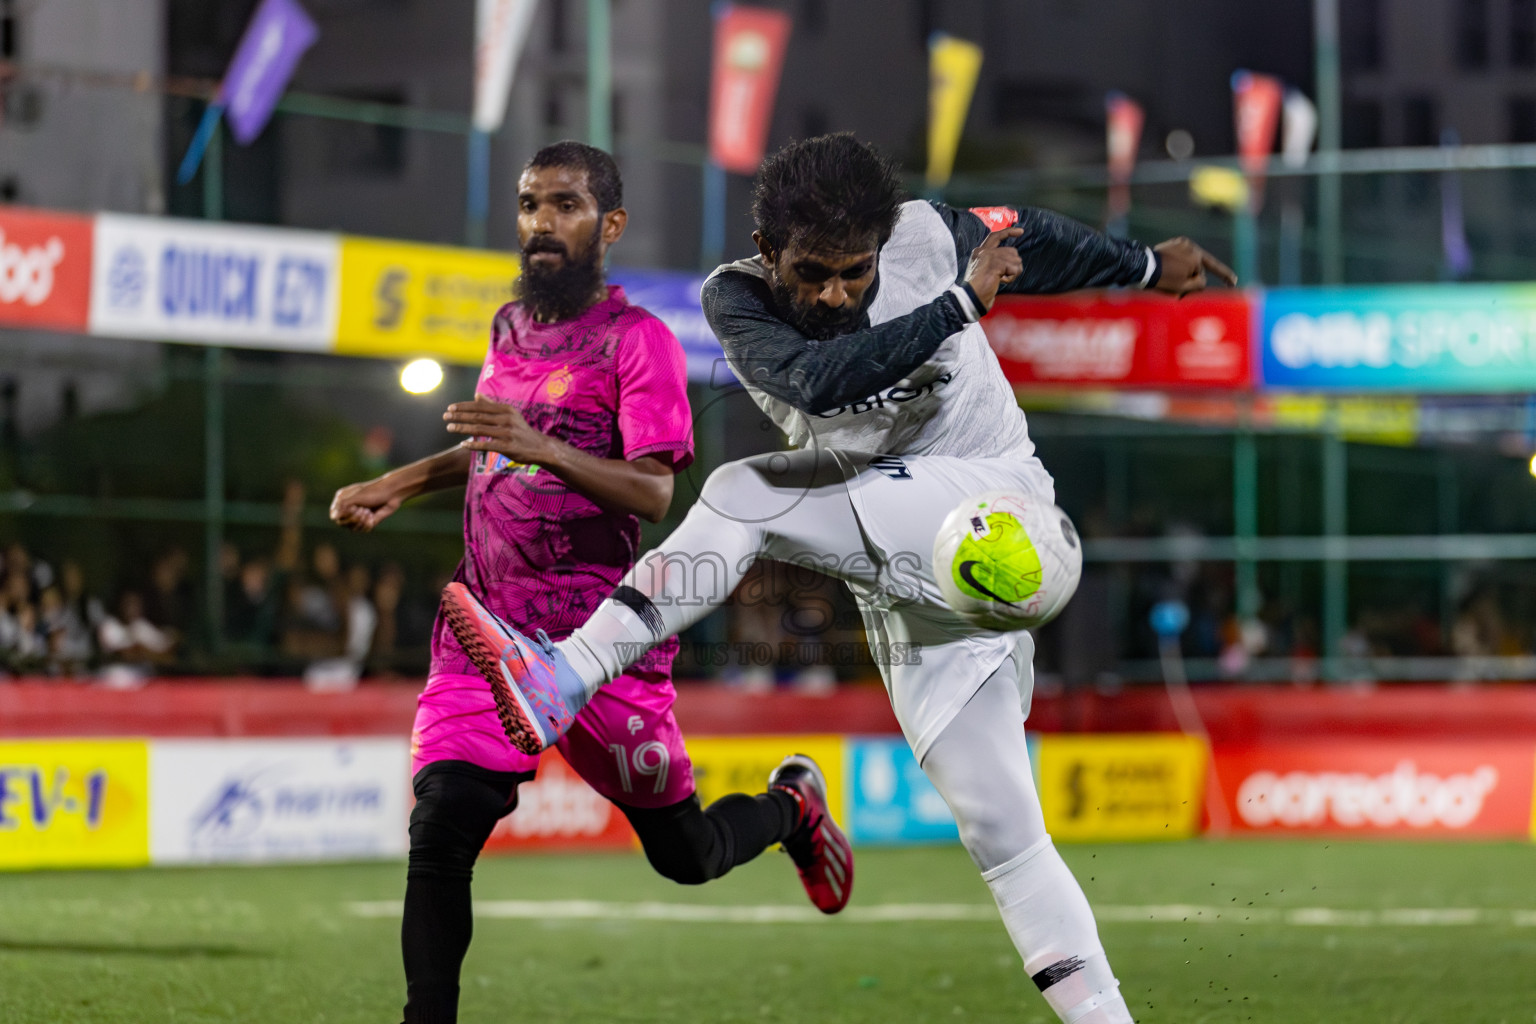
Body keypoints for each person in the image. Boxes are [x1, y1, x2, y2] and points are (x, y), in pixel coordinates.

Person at [443, 133, 1235, 1024]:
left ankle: (563, 675)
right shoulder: (734, 300)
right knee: (1005, 837)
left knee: (745, 492)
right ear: (768, 251)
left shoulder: (930, 235)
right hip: (907, 578)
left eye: (853, 273)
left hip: (1004, 512)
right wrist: (957, 309)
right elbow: (818, 383)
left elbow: (1033, 238)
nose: (833, 293)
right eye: (811, 272)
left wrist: (1139, 264)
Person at [330, 141, 851, 1024]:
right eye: (531, 204)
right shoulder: (507, 328)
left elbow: (652, 491)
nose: (542, 223)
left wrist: (542, 447)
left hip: (601, 643)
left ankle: (791, 808)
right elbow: (491, 443)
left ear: (608, 224)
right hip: (485, 631)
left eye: (566, 205)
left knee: (685, 855)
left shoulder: (638, 341)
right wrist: (401, 480)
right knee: (441, 826)